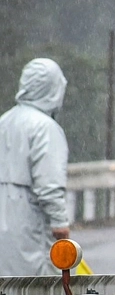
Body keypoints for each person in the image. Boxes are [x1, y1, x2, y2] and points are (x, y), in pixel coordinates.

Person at [0, 58, 70, 276]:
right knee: (38, 291)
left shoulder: (5, 120)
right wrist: (60, 223)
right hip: (30, 219)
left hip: (5, 216)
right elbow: (48, 183)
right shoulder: (46, 128)